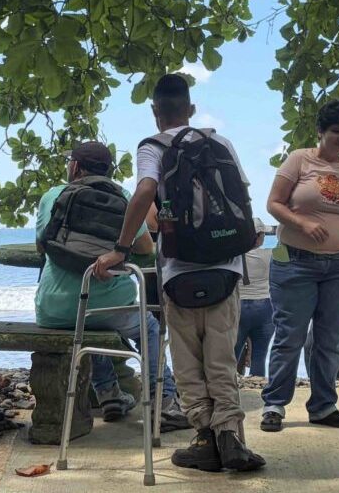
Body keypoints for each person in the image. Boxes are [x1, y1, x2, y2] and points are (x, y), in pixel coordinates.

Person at [95, 73, 265, 472]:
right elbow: (241, 193)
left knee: (187, 359)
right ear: (190, 109)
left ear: (155, 112)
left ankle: (204, 439)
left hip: (177, 272)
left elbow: (143, 192)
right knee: (221, 356)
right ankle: (232, 438)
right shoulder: (219, 142)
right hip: (225, 267)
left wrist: (121, 249)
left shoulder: (152, 146)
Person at [34, 140, 188, 430]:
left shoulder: (52, 195)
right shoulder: (123, 197)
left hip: (54, 309)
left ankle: (109, 395)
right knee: (148, 327)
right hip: (108, 305)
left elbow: (42, 244)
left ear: (75, 167)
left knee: (91, 322)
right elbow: (144, 247)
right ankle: (165, 400)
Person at [260, 100, 339, 433]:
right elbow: (274, 204)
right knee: (289, 336)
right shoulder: (299, 159)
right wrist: (303, 224)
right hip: (294, 261)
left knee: (330, 339)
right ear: (321, 131)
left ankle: (324, 405)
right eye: (336, 131)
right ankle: (275, 404)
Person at [234, 218, 274, 377]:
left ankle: (230, 386)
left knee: (232, 354)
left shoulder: (233, 255)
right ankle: (258, 385)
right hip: (264, 306)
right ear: (258, 236)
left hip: (238, 306)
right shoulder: (269, 255)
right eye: (263, 233)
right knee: (260, 355)